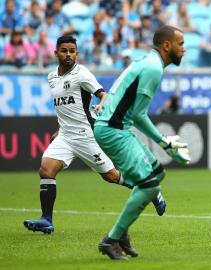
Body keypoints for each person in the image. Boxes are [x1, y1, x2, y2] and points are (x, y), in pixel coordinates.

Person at [23, 35, 167, 236]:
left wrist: (102, 104)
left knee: (111, 176)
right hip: (65, 135)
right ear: (56, 53)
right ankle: (46, 220)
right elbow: (64, 106)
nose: (68, 55)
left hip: (86, 135)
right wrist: (59, 128)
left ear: (77, 54)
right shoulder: (51, 77)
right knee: (46, 170)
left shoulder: (82, 73)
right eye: (64, 51)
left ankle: (152, 190)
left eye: (72, 51)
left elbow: (104, 94)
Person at [94, 25, 190, 260]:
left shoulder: (148, 62)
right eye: (181, 44)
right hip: (113, 130)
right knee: (150, 185)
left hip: (116, 128)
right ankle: (112, 240)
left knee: (157, 175)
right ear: (167, 45)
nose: (184, 49)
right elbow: (138, 115)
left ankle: (122, 231)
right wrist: (165, 142)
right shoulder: (153, 68)